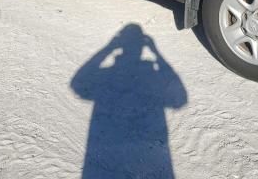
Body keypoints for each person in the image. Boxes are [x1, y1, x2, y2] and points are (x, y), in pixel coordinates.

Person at [71, 24, 187, 178]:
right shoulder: (151, 74)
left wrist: (110, 47)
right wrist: (156, 52)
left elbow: (78, 83)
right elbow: (180, 99)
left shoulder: (107, 74)